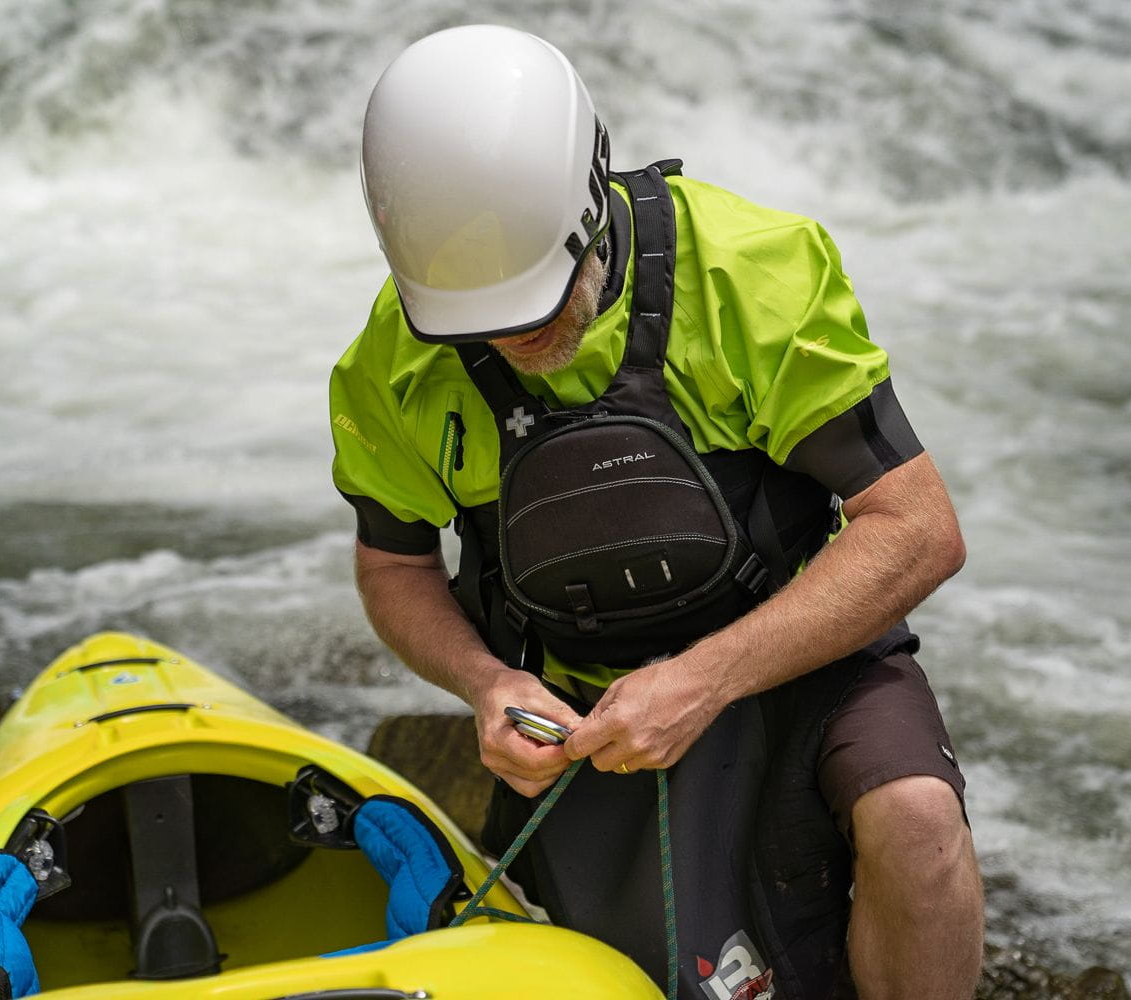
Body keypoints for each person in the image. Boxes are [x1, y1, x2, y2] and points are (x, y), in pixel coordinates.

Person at [329, 23, 984, 1000]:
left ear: (591, 203)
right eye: (484, 326)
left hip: (802, 664)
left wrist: (707, 676)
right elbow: (395, 566)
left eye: (539, 306)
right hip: (573, 706)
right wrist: (482, 682)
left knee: (919, 820)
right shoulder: (395, 357)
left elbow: (917, 527)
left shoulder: (749, 274)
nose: (515, 339)